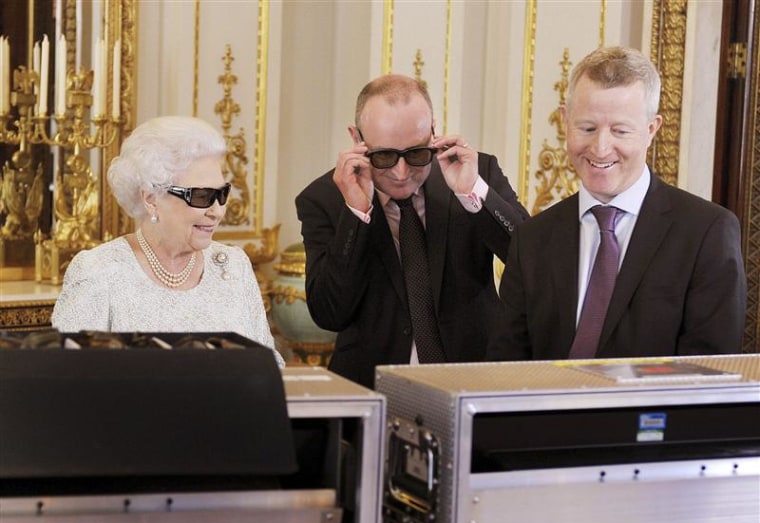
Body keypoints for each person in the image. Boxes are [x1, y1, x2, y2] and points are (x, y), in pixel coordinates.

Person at [488, 46, 746, 361]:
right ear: (565, 121)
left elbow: (708, 377)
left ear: (651, 130)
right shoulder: (532, 239)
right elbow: (504, 370)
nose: (600, 148)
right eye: (587, 128)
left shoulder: (707, 233)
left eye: (620, 131)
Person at [296, 74, 529, 388]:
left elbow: (530, 263)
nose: (401, 172)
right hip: (370, 387)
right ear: (356, 139)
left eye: (416, 154)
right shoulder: (324, 198)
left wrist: (472, 193)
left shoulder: (477, 171)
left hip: (474, 379)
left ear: (433, 130)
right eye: (384, 156)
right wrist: (356, 213)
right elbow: (329, 313)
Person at [52, 116, 285, 368]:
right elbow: (68, 377)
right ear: (151, 198)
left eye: (222, 193)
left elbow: (269, 367)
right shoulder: (99, 271)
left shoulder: (233, 266)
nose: (217, 211)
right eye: (202, 196)